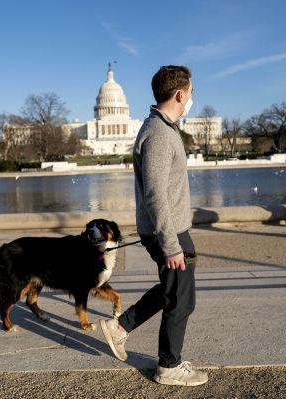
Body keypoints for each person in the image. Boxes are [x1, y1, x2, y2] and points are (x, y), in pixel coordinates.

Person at [99, 65, 208, 386]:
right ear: (179, 94)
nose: (191, 98)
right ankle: (169, 367)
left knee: (172, 290)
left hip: (169, 228)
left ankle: (120, 327)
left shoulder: (163, 127)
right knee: (182, 299)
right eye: (190, 92)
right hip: (168, 232)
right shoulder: (159, 134)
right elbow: (155, 193)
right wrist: (171, 244)